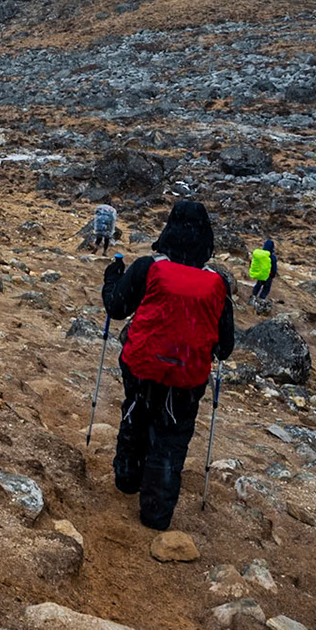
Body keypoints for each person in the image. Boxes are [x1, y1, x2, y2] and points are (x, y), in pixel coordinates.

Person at [101, 200, 235, 530]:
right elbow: (225, 346)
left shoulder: (148, 267)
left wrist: (111, 278)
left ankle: (128, 479)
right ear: (206, 237)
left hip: (142, 365)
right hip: (187, 377)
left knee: (135, 414)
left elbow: (116, 308)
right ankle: (156, 515)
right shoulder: (217, 284)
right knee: (171, 440)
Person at [247, 235, 277, 311]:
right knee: (266, 288)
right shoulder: (272, 257)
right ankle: (261, 299)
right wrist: (273, 274)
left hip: (260, 274)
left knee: (258, 285)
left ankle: (253, 296)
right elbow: (274, 267)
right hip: (268, 275)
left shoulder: (260, 255)